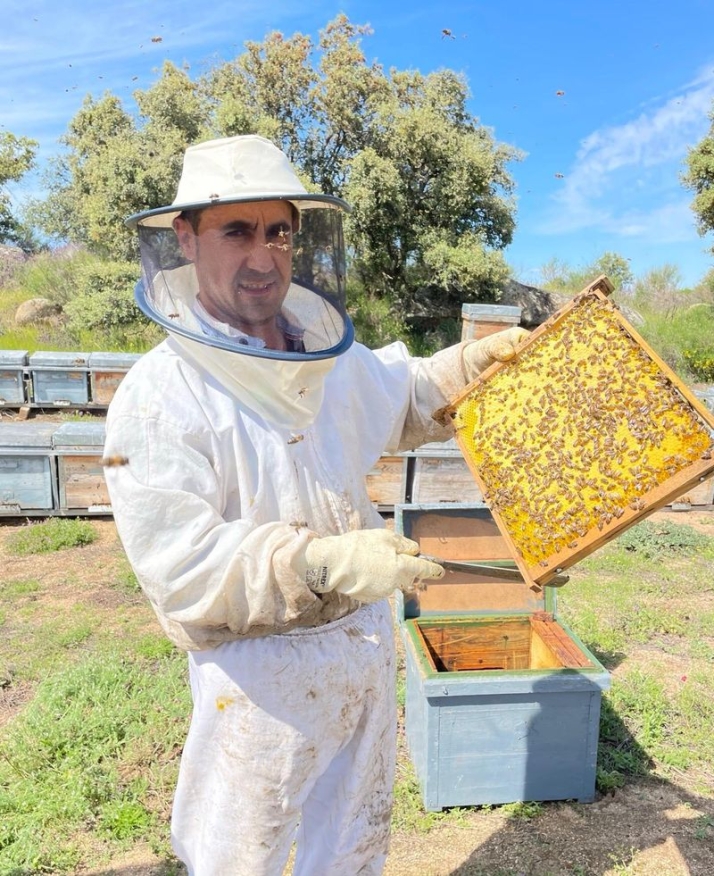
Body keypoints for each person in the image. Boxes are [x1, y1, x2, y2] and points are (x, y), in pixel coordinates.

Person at [103, 134, 528, 876]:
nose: (264, 256)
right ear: (184, 238)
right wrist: (318, 562)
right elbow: (182, 563)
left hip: (360, 654)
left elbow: (403, 395)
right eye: (237, 230)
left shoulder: (322, 354)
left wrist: (469, 365)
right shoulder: (160, 396)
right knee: (240, 858)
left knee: (353, 848)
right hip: (257, 681)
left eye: (279, 232)